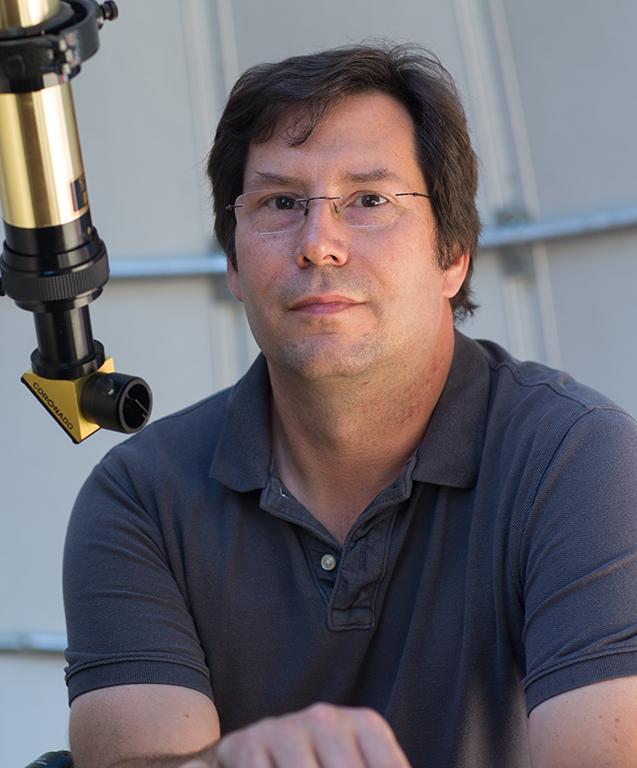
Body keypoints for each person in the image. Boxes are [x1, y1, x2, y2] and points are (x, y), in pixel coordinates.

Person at [62, 42, 637, 768]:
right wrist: (228, 764)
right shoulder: (141, 498)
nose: (318, 244)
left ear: (453, 252)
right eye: (280, 203)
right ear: (235, 264)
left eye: (369, 200)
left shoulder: (581, 463)